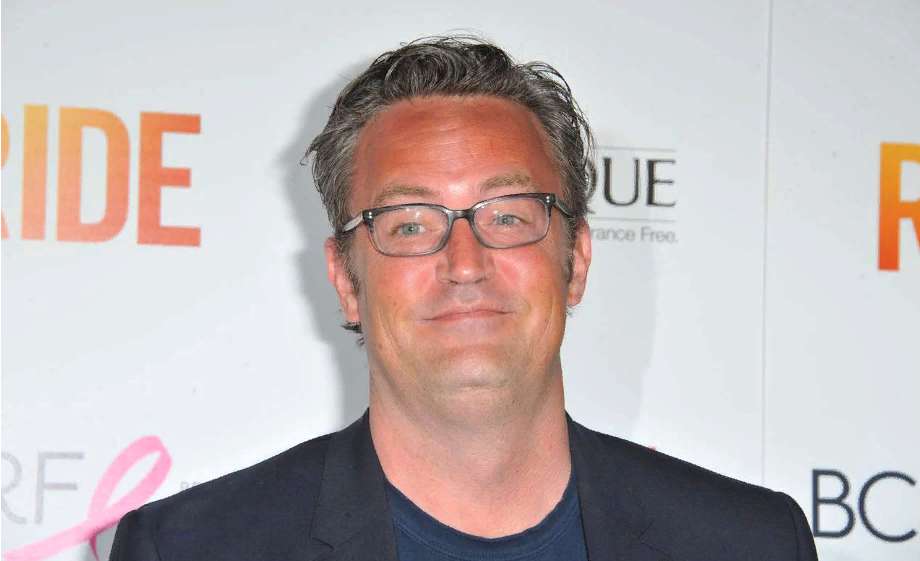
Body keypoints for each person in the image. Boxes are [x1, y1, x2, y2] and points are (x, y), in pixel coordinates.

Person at [109, 36, 819, 561]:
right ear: (346, 280)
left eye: (507, 215)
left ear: (575, 261)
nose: (465, 263)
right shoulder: (191, 548)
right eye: (410, 223)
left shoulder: (750, 543)